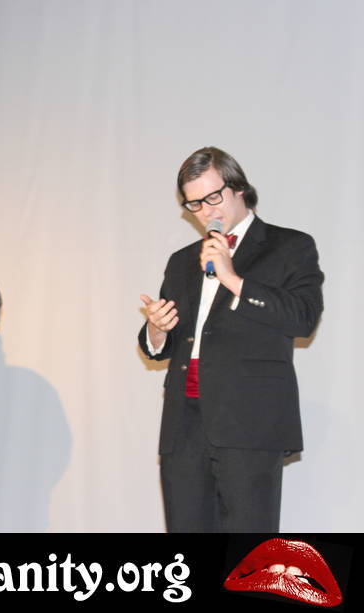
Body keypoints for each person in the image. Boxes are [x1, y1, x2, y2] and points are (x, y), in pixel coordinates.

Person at [138, 146, 323, 532]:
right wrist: (156, 329)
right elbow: (166, 344)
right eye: (194, 204)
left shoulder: (290, 246)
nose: (206, 211)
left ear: (238, 188)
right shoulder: (181, 261)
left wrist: (233, 279)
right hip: (184, 423)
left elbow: (303, 318)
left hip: (249, 420)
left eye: (212, 197)